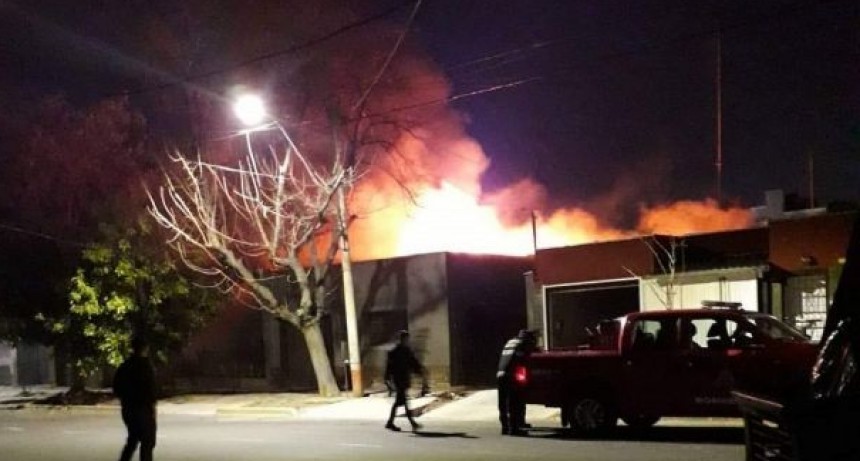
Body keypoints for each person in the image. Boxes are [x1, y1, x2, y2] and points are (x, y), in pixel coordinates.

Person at [113, 336, 158, 461]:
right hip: (143, 408)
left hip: (128, 408)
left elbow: (116, 387)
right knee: (147, 442)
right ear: (145, 348)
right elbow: (151, 389)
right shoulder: (146, 366)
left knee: (133, 439)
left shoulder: (125, 366)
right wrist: (152, 407)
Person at [384, 330, 428, 432]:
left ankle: (390, 422)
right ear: (403, 339)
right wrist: (419, 371)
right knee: (403, 401)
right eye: (407, 339)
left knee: (400, 401)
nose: (408, 340)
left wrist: (419, 370)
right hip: (400, 380)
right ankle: (411, 423)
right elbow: (412, 363)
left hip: (400, 379)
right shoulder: (401, 351)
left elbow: (412, 363)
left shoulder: (398, 351)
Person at [496, 329, 537, 436]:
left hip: (500, 374)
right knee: (515, 401)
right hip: (511, 375)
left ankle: (505, 427)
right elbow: (525, 360)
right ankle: (514, 429)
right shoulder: (523, 344)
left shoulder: (511, 342)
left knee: (503, 402)